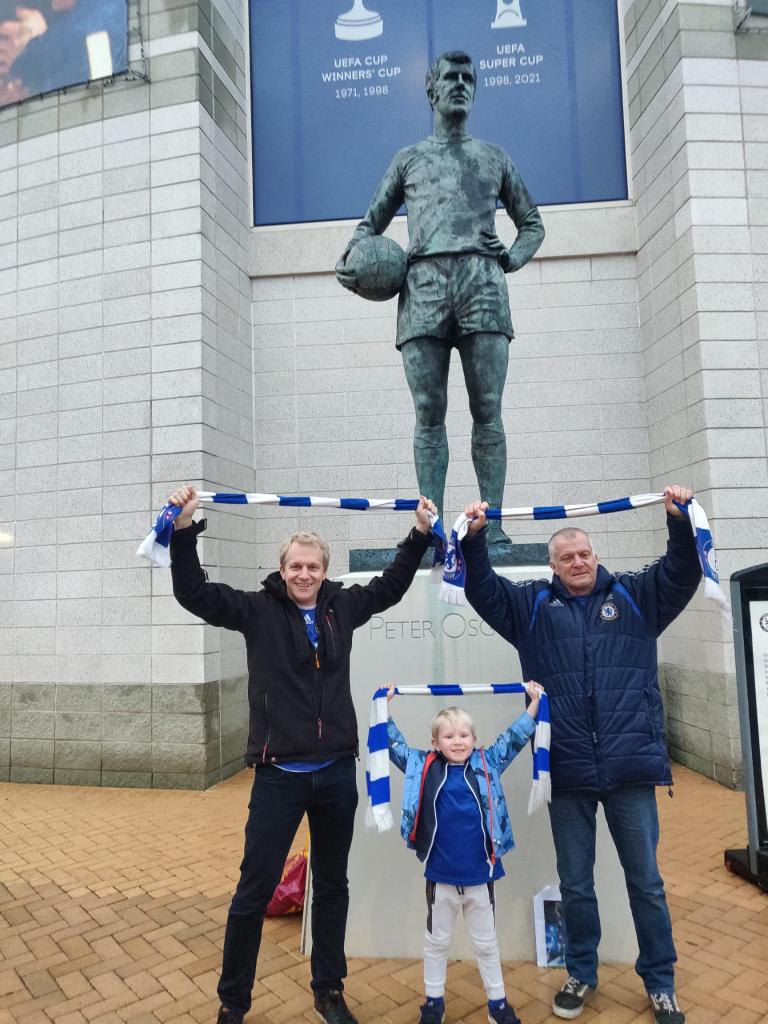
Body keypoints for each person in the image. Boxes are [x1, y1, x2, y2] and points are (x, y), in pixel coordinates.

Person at [167, 485, 437, 1024]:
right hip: (279, 776)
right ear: (282, 568)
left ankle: (329, 991)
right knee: (253, 891)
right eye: (296, 566)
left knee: (332, 886)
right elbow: (194, 593)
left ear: (324, 569)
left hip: (336, 772)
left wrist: (419, 535)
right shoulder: (255, 610)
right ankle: (234, 1002)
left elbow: (390, 586)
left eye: (313, 566)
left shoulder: (344, 605)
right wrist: (182, 532)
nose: (305, 574)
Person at [459, 485, 701, 1024]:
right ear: (552, 565)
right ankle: (582, 972)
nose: (577, 563)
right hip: (565, 769)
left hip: (630, 767)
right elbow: (482, 588)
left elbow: (682, 571)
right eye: (566, 557)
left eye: (584, 554)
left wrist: (678, 520)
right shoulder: (530, 607)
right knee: (576, 884)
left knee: (647, 884)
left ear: (596, 556)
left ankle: (660, 981)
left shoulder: (637, 597)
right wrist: (474, 541)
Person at [336, 50, 544, 546]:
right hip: (424, 283)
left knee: (487, 407)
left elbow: (532, 224)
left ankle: (491, 526)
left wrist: (511, 258)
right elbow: (370, 226)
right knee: (428, 409)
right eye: (449, 77)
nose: (459, 84)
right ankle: (431, 529)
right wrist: (353, 260)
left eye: (467, 78)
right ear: (431, 89)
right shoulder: (408, 159)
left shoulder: (494, 157)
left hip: (482, 281)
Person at [387, 681, 545, 1024]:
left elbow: (515, 737)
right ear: (434, 742)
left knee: (487, 943)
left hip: (480, 875)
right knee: (436, 942)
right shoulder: (424, 767)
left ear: (474, 740)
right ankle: (433, 1003)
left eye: (464, 735)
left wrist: (534, 704)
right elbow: (394, 745)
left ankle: (497, 1004)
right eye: (448, 736)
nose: (457, 741)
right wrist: (383, 707)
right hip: (440, 876)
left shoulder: (488, 763)